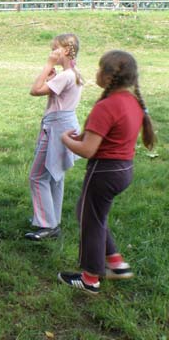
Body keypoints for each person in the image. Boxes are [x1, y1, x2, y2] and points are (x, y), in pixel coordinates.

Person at [57, 50, 156, 294]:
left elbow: (88, 150)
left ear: (109, 76)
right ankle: (116, 263)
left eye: (100, 68)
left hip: (104, 172)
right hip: (123, 170)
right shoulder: (131, 101)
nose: (96, 72)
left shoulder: (107, 106)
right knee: (93, 215)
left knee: (90, 220)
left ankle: (90, 279)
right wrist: (81, 137)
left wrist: (65, 140)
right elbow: (107, 136)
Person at [25, 33, 83, 241]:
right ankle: (51, 218)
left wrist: (48, 65)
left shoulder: (65, 76)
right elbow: (55, 94)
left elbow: (34, 90)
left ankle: (47, 225)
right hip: (65, 125)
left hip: (57, 128)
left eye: (54, 48)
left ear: (65, 50)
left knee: (37, 176)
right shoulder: (73, 73)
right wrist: (51, 77)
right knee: (54, 175)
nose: (51, 52)